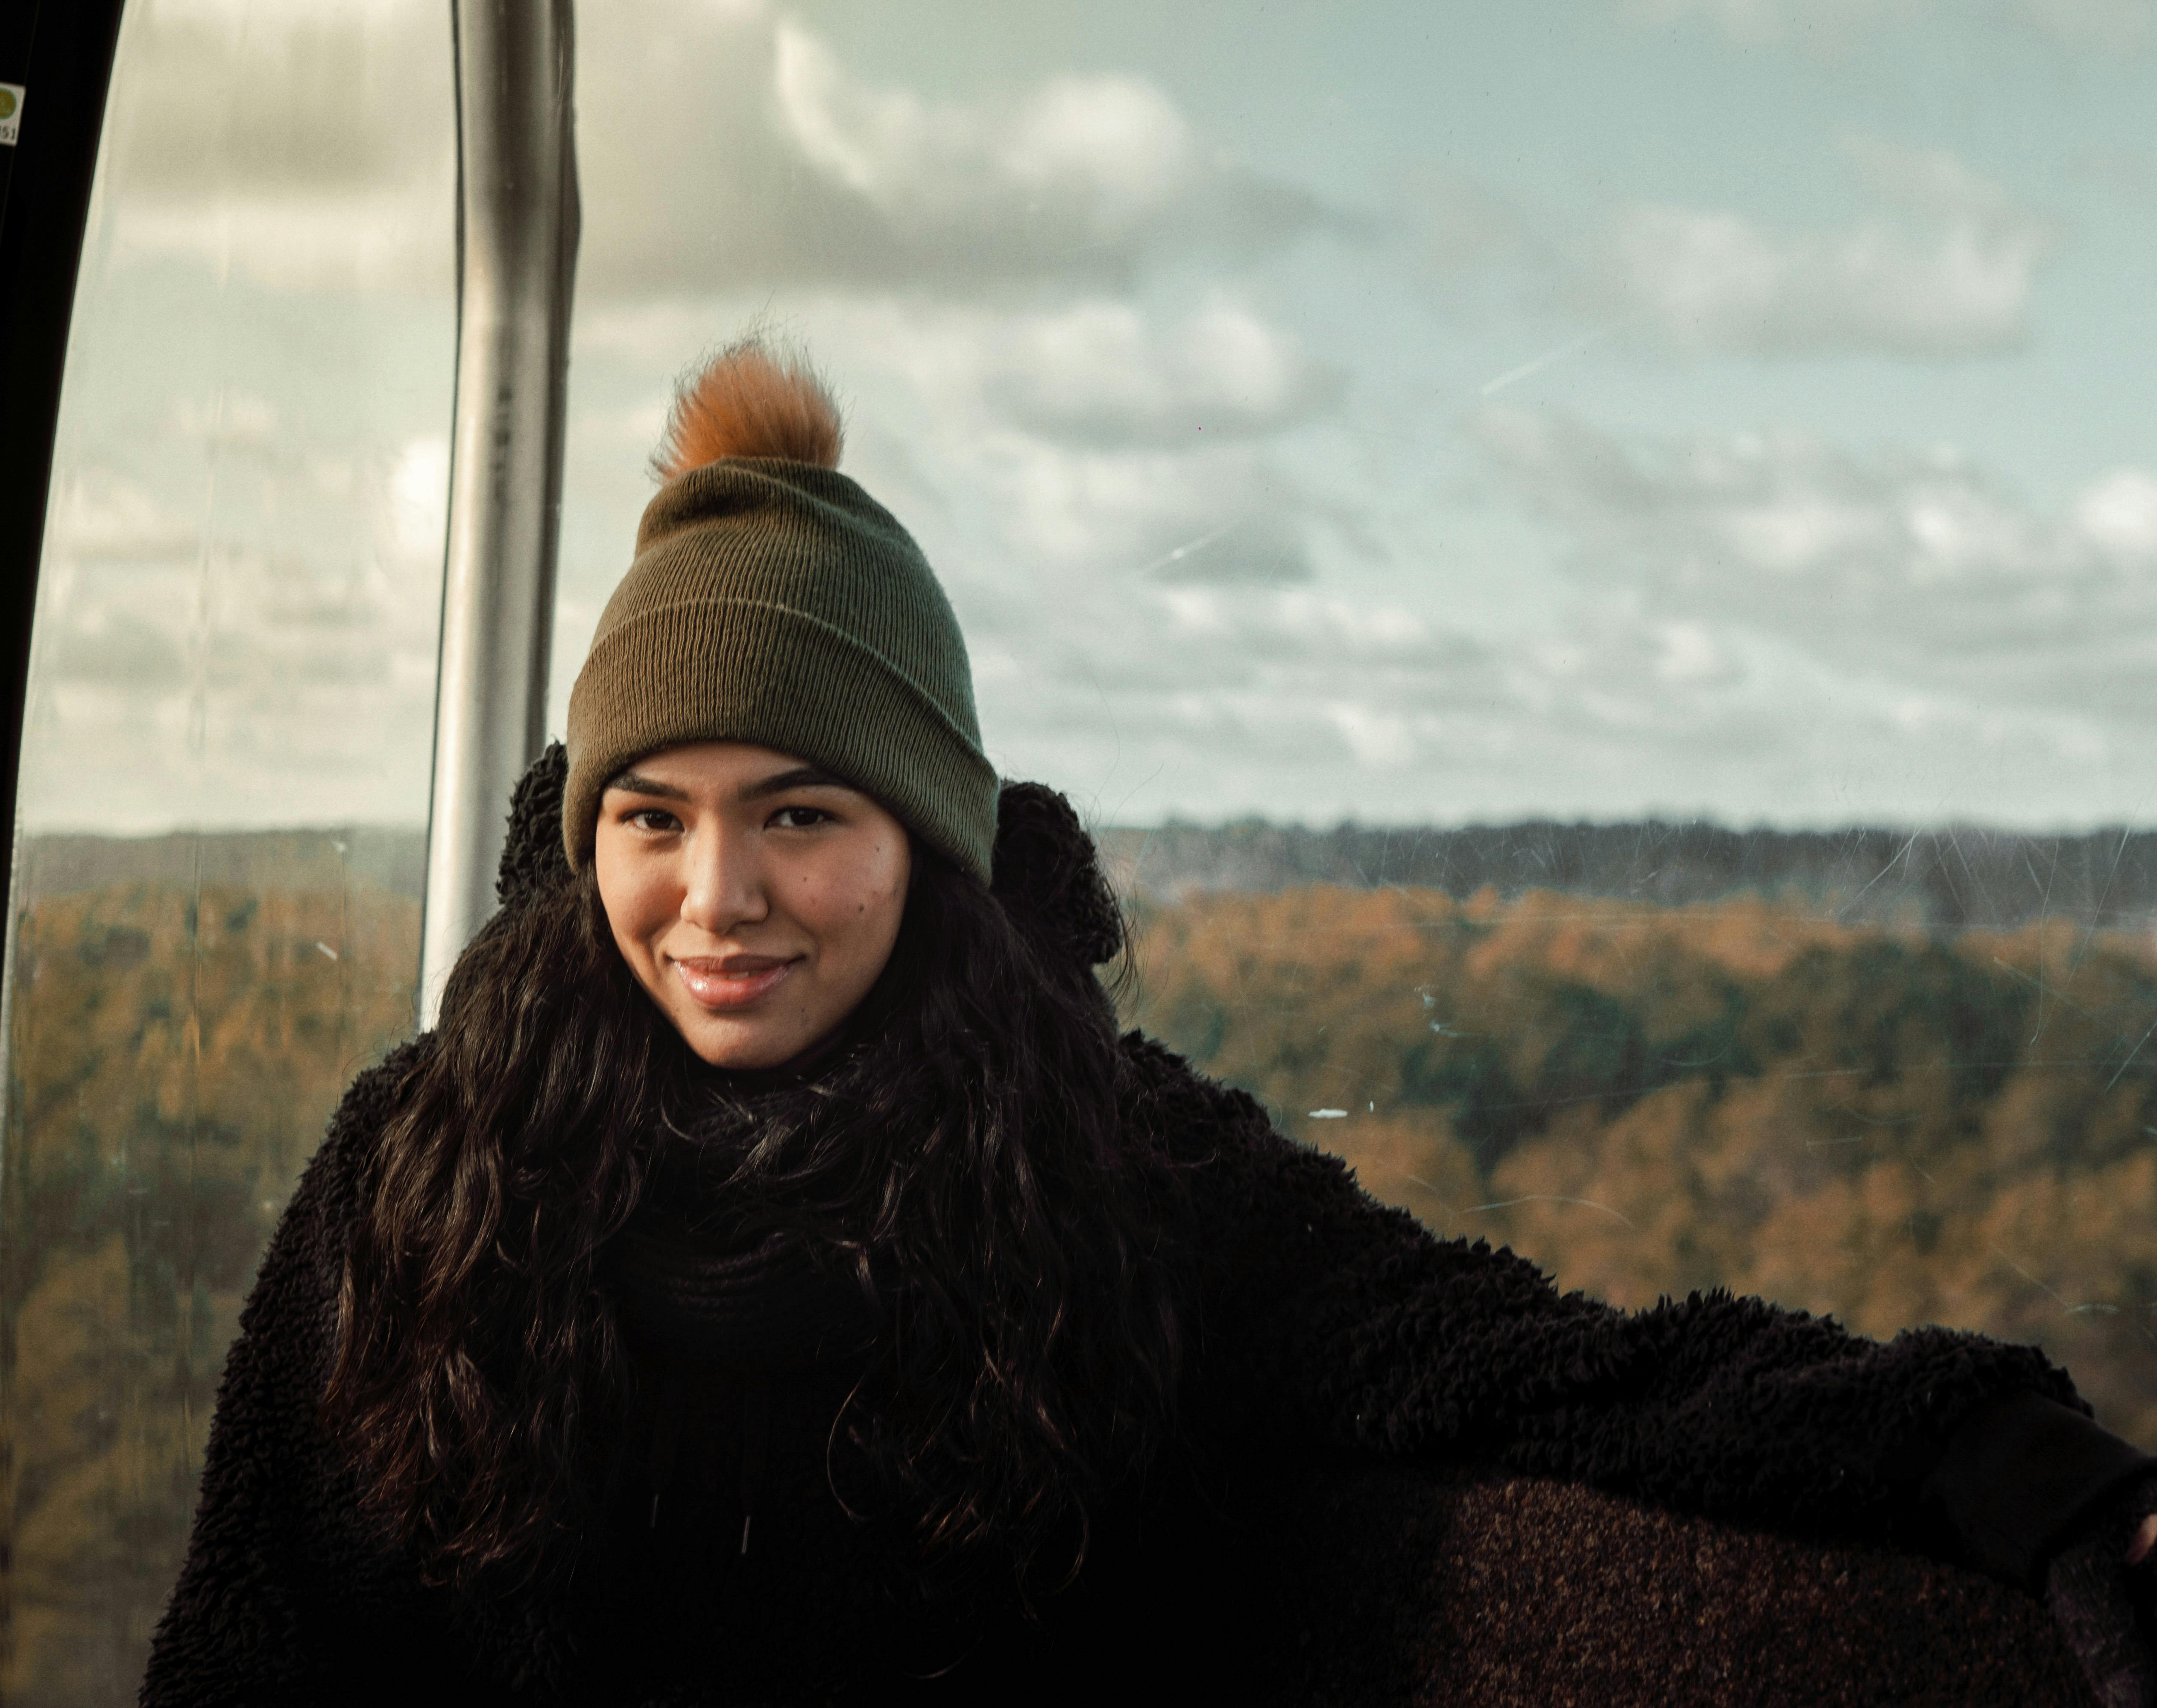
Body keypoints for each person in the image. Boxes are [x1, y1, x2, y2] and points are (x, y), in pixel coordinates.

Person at [142, 340, 2157, 1707]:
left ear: (930, 841)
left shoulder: (1105, 1162)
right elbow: (248, 1639)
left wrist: (1993, 1455)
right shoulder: (421, 1169)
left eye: (803, 815)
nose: (718, 896)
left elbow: (1544, 1371)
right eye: (652, 819)